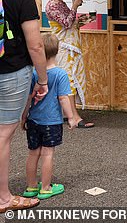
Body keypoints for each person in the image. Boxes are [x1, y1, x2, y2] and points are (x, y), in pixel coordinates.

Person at [0, 0, 48, 213]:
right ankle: (3, 198)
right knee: (3, 135)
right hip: (11, 73)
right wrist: (43, 80)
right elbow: (36, 45)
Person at [22, 34, 78, 200]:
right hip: (51, 122)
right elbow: (63, 98)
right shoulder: (60, 74)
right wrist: (71, 117)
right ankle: (46, 187)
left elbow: (28, 98)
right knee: (47, 154)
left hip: (33, 120)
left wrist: (24, 117)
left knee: (33, 154)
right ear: (57, 50)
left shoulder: (33, 74)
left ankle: (31, 187)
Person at [44, 0, 94, 128]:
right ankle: (75, 117)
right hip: (64, 48)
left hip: (69, 46)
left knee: (71, 78)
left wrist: (83, 19)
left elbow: (70, 22)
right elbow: (66, 23)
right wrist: (75, 7)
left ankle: (67, 113)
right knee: (69, 80)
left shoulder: (61, 4)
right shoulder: (52, 5)